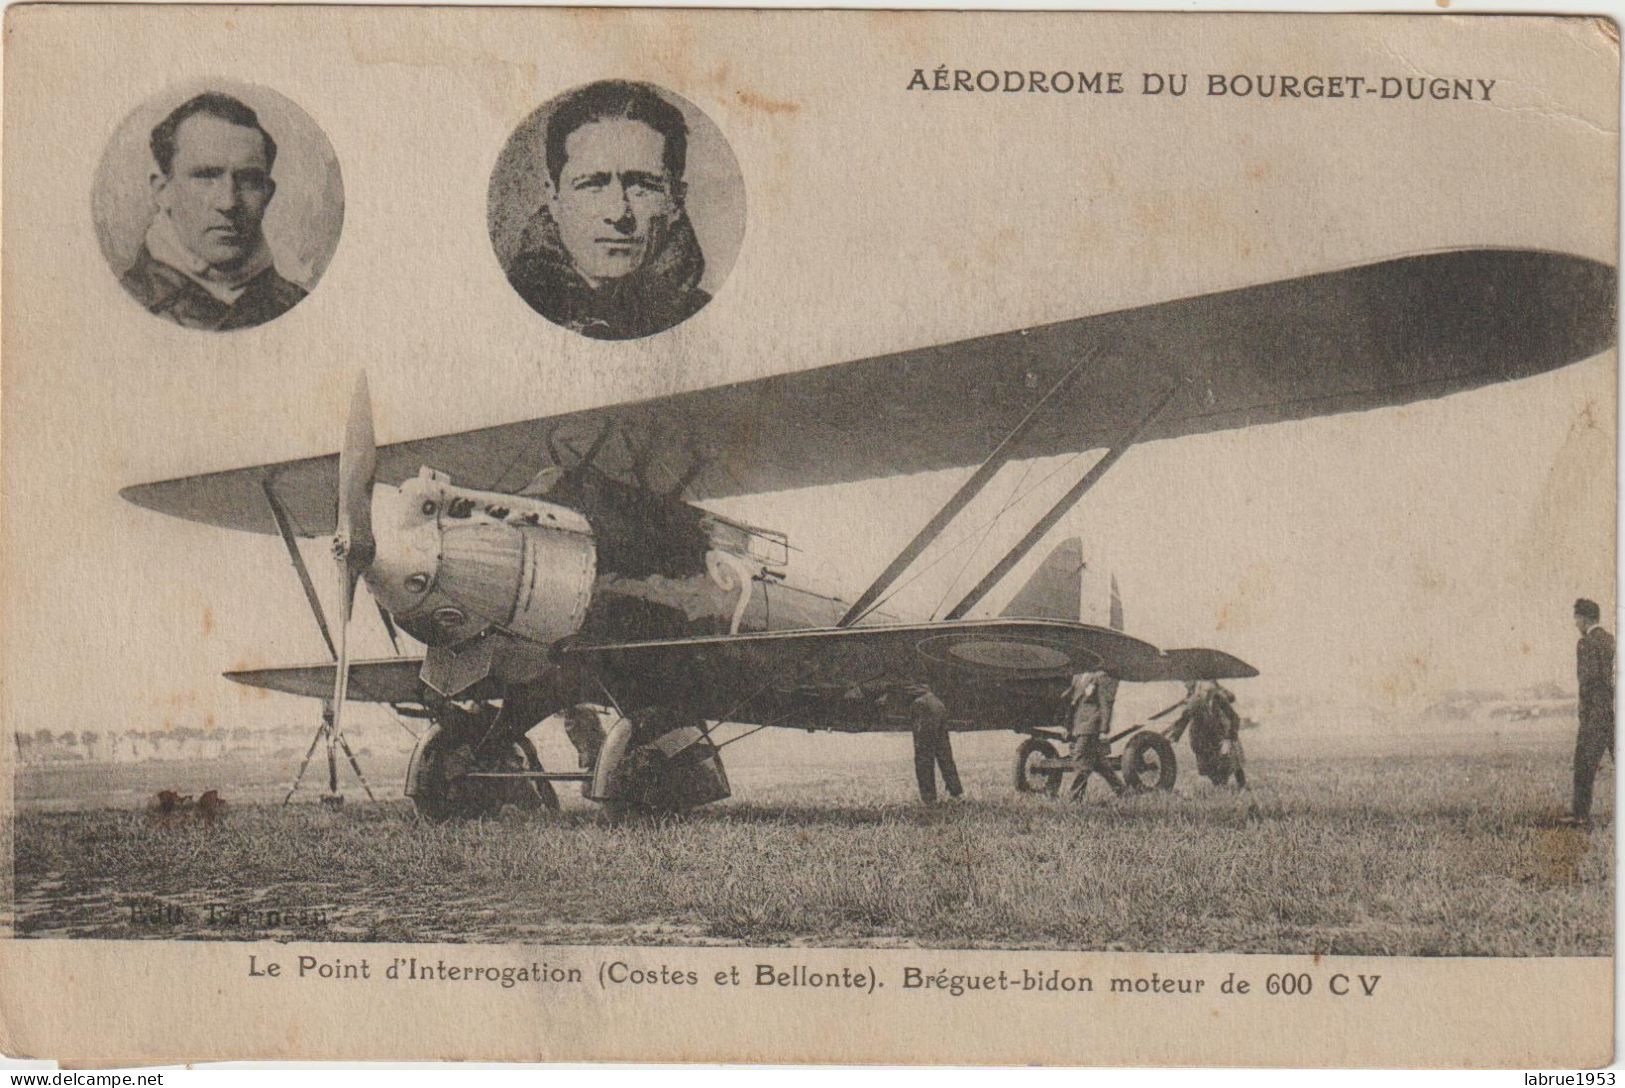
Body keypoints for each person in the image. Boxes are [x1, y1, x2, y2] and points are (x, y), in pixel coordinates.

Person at [504, 81, 711, 340]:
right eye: (592, 185)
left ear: (676, 202)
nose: (618, 214)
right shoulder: (507, 308)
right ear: (554, 199)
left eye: (642, 187)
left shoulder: (706, 317)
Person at [121, 93, 308, 331]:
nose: (228, 202)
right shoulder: (125, 298)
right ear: (162, 191)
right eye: (206, 176)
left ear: (267, 194)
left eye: (248, 179)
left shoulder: (296, 304)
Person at [1569, 598, 1614, 826]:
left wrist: (1584, 714)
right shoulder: (1612, 641)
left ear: (1585, 618)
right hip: (1615, 714)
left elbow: (1586, 682)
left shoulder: (1585, 643)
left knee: (1584, 766)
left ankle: (1580, 816)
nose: (1575, 622)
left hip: (1594, 716)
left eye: (1576, 617)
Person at [1169, 679, 1245, 787]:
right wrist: (1175, 736)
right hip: (1202, 738)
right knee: (1210, 766)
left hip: (1221, 734)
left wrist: (1228, 739)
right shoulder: (1195, 701)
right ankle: (1219, 784)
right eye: (1205, 691)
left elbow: (1234, 718)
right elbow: (1184, 719)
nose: (1207, 693)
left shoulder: (1219, 699)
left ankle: (1240, 784)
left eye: (1211, 691)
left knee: (1232, 760)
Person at [1065, 669, 1124, 798]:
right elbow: (1073, 702)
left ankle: (1074, 797)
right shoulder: (1077, 676)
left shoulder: (1101, 676)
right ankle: (1122, 791)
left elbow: (1105, 703)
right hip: (1079, 724)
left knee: (1081, 758)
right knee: (1099, 763)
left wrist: (1103, 729)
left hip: (1091, 724)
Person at [908, 688, 962, 804]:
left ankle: (929, 799)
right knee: (944, 752)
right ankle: (956, 793)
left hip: (923, 706)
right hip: (936, 704)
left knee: (923, 756)